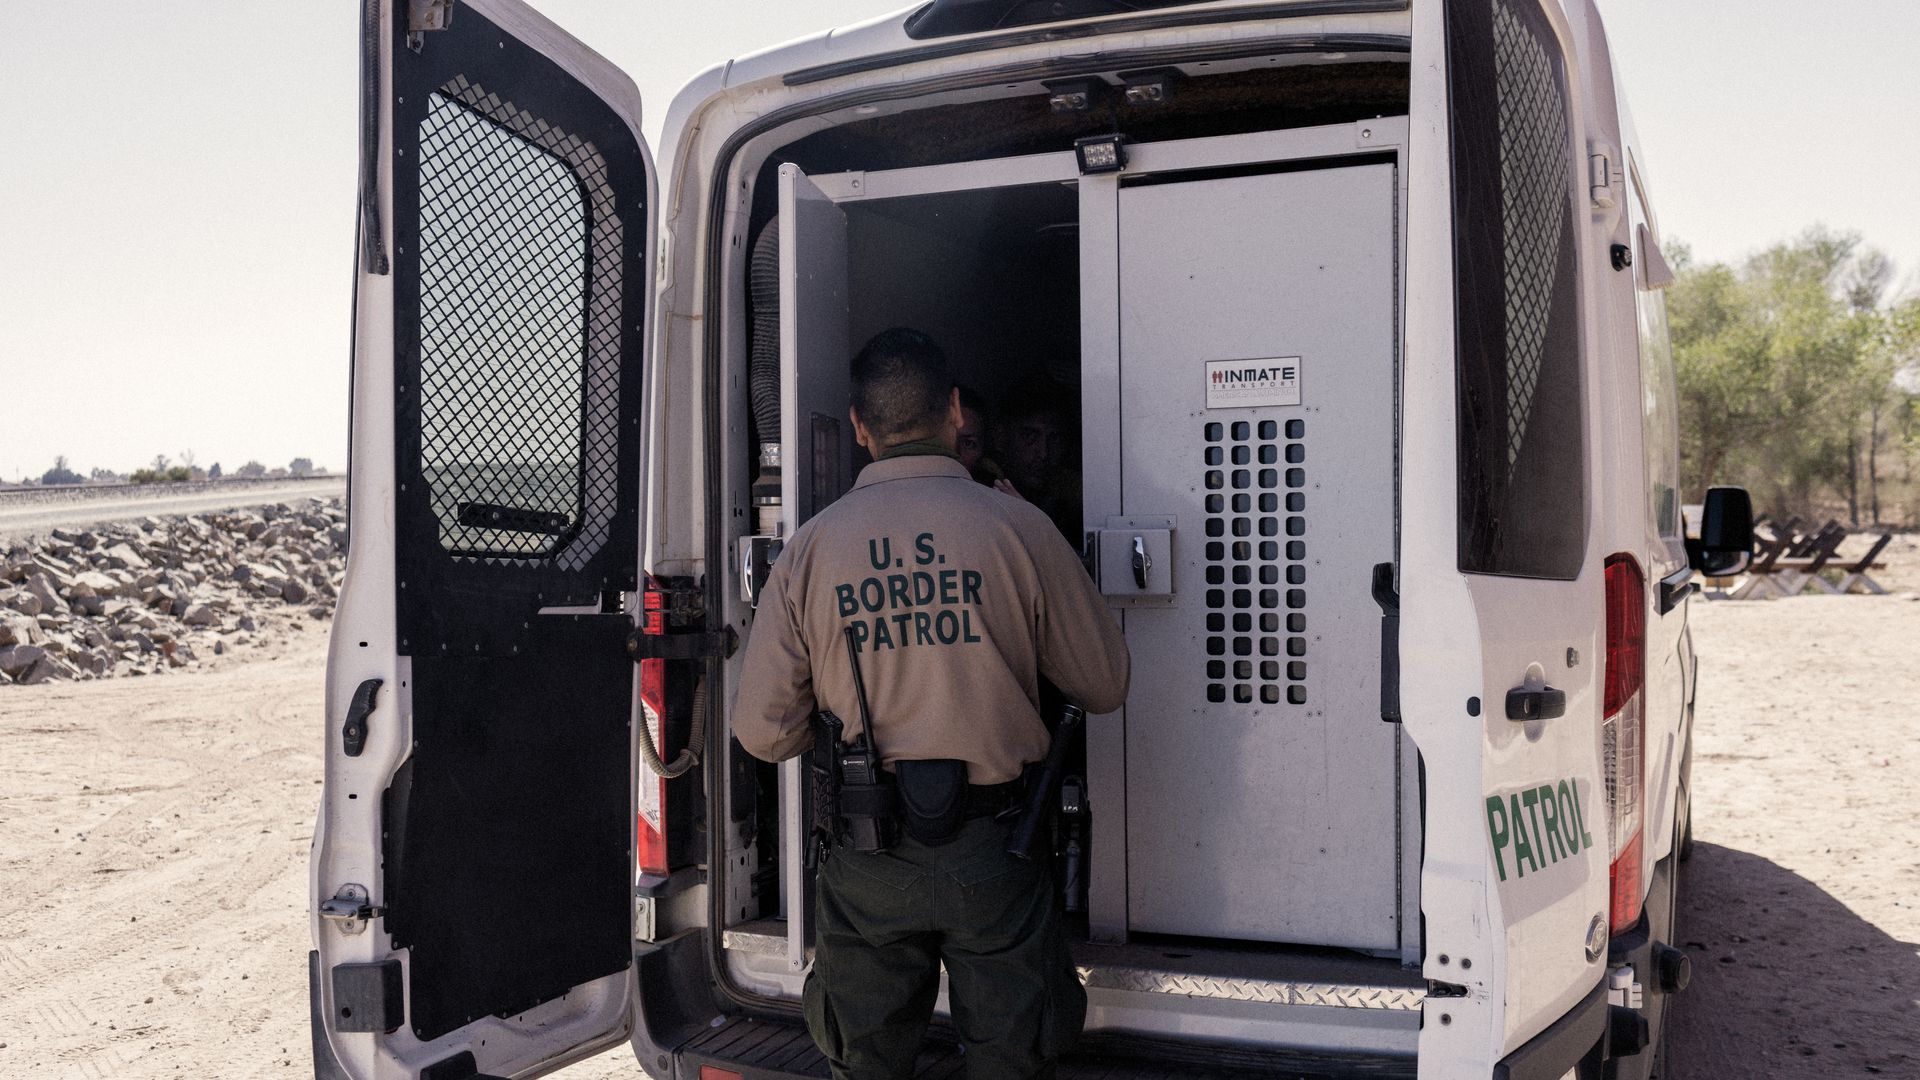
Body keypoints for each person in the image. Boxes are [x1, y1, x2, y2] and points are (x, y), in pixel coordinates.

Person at [732, 327, 1131, 1080]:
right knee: (1015, 1060)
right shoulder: (1022, 528)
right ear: (953, 410)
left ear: (859, 427)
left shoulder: (809, 551)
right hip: (998, 851)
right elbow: (1104, 685)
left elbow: (764, 734)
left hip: (869, 853)